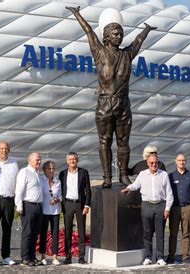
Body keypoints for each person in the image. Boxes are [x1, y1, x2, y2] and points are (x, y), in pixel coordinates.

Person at [66, 6, 156, 188]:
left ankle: (123, 175)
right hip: (105, 103)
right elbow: (89, 31)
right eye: (115, 34)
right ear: (106, 35)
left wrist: (146, 30)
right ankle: (107, 177)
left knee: (124, 142)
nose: (119, 36)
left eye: (121, 33)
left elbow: (138, 42)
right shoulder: (99, 52)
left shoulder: (126, 54)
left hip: (123, 104)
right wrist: (77, 14)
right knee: (105, 141)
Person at [122, 154, 173, 266]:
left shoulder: (163, 174)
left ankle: (160, 257)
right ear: (147, 163)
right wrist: (129, 188)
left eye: (156, 163)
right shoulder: (142, 174)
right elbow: (136, 185)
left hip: (160, 205)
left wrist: (167, 209)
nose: (154, 165)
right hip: (146, 206)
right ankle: (148, 257)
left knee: (160, 233)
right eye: (151, 163)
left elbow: (169, 193)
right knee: (147, 233)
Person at [166, 153, 190, 264]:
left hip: (187, 208)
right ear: (176, 161)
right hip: (174, 208)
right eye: (179, 160)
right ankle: (171, 255)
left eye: (183, 160)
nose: (182, 162)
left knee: (186, 233)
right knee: (173, 233)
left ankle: (185, 256)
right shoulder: (170, 176)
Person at [58, 152, 91, 264]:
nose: (72, 161)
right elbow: (60, 189)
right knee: (67, 231)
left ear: (77, 160)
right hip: (67, 204)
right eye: (70, 159)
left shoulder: (83, 172)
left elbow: (88, 190)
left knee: (81, 231)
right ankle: (68, 257)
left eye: (74, 159)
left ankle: (81, 257)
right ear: (67, 161)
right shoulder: (62, 174)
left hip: (80, 204)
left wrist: (87, 205)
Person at [15, 152, 44, 266]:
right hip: (28, 206)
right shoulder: (24, 172)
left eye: (40, 160)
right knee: (27, 232)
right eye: (37, 160)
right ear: (30, 160)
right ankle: (25, 257)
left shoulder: (37, 174)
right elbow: (19, 190)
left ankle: (32, 256)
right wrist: (19, 205)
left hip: (38, 206)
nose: (39, 162)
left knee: (35, 233)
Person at [38, 160, 62, 266]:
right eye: (49, 168)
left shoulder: (58, 181)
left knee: (55, 233)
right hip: (44, 210)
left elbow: (61, 195)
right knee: (43, 233)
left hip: (55, 211)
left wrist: (56, 200)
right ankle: (43, 256)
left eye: (53, 168)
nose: (52, 170)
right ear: (44, 170)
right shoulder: (40, 180)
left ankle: (55, 256)